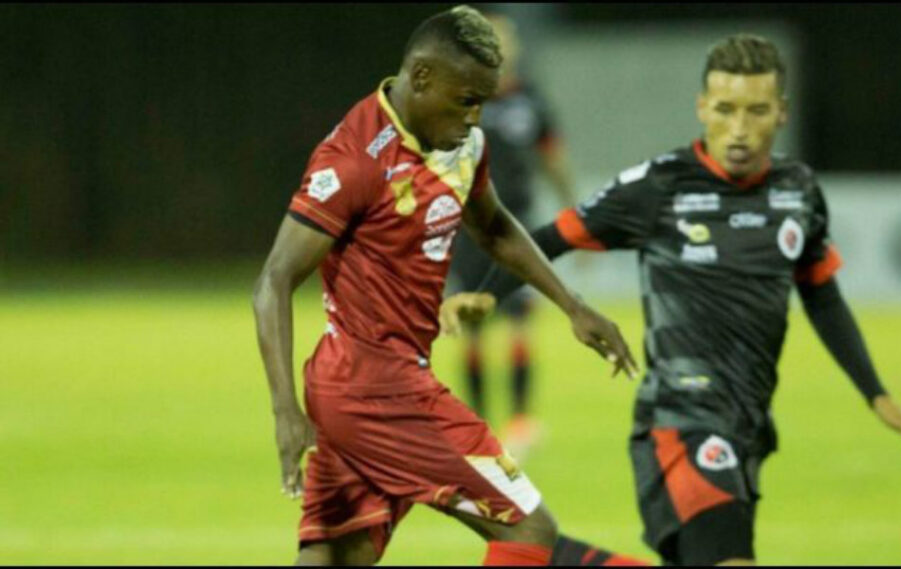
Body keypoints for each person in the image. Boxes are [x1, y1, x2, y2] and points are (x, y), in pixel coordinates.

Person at [456, 34, 901, 566]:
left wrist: (878, 396)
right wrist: (485, 295)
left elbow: (822, 296)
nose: (739, 127)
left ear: (781, 113)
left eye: (756, 111)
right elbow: (551, 238)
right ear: (703, 107)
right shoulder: (660, 185)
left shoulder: (797, 190)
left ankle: (545, 559)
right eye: (725, 109)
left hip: (748, 426)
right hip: (679, 423)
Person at [252, 5, 646, 566]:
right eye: (466, 100)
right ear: (421, 77)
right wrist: (283, 410)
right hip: (377, 391)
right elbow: (273, 281)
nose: (476, 117)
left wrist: (573, 305)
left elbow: (494, 227)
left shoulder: (462, 145)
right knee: (529, 528)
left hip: (369, 386)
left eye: (483, 101)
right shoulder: (353, 160)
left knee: (338, 555)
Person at [446, 11, 578, 460]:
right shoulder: (460, 99)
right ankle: (478, 424)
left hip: (517, 224)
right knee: (471, 323)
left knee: (520, 317)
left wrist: (570, 207)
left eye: (506, 44)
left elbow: (553, 157)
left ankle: (521, 419)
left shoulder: (531, 101)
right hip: (467, 227)